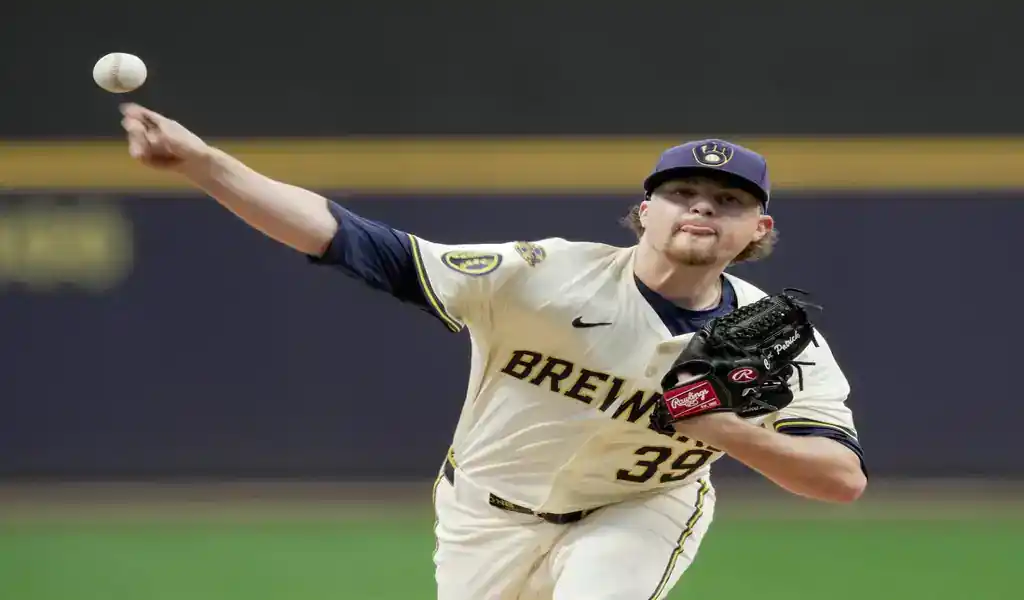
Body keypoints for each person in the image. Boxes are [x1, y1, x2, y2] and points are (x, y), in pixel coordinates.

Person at [119, 103, 867, 600]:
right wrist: (203, 162)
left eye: (729, 200)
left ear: (758, 232)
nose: (703, 205)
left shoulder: (779, 340)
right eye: (682, 192)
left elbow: (840, 480)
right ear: (645, 212)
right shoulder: (544, 276)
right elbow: (351, 240)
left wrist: (720, 428)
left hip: (639, 509)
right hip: (486, 512)